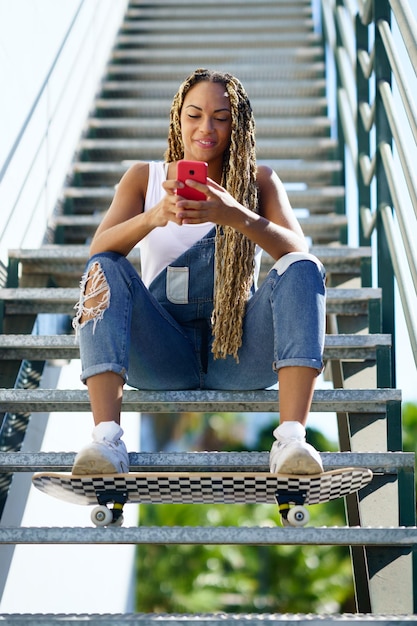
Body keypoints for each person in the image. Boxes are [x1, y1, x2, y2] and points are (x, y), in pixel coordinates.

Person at [71, 68, 326, 476]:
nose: (206, 128)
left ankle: (292, 440)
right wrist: (153, 217)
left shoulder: (259, 182)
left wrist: (236, 215)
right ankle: (106, 441)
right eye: (194, 114)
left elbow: (300, 253)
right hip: (162, 352)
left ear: (237, 123)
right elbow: (98, 251)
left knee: (302, 266)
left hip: (239, 352)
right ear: (178, 117)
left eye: (221, 117)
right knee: (104, 267)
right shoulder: (145, 178)